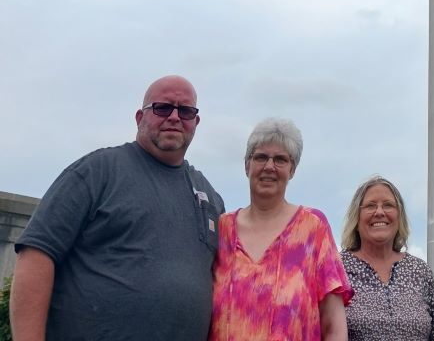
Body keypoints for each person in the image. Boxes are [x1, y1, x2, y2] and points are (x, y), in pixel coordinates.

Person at [11, 74, 224, 341]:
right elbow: (36, 255)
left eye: (186, 110)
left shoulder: (212, 199)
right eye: (162, 108)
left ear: (196, 121)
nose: (174, 117)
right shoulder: (95, 172)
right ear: (139, 117)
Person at [209, 118, 350, 341]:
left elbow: (334, 326)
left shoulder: (313, 228)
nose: (269, 167)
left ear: (292, 169)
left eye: (280, 160)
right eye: (261, 157)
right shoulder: (221, 229)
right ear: (247, 165)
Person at [340, 175, 434, 341]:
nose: (379, 212)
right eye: (370, 206)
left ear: (399, 217)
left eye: (388, 205)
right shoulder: (336, 268)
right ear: (356, 216)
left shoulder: (420, 271)